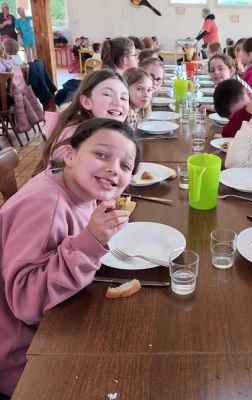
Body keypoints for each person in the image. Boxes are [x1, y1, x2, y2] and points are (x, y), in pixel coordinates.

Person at [0, 118, 141, 398]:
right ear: (69, 155)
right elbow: (25, 301)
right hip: (20, 358)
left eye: (126, 166)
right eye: (101, 154)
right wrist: (90, 241)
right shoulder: (45, 206)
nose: (114, 168)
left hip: (51, 324)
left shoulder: (75, 187)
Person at [35, 69, 129, 173]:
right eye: (107, 94)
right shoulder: (73, 136)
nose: (118, 102)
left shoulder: (105, 130)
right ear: (86, 102)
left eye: (124, 98)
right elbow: (61, 176)